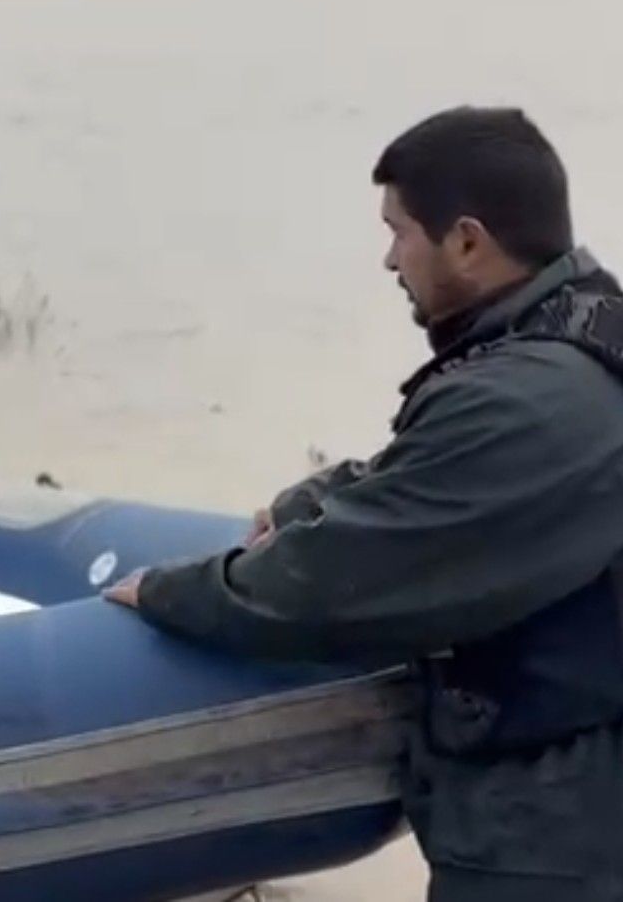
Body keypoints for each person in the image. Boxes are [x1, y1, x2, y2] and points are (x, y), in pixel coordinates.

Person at [105, 106, 623, 900]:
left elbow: (331, 583)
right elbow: (425, 474)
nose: (389, 260)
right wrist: (313, 495)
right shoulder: (576, 337)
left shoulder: (532, 400)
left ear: (468, 241)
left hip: (559, 828)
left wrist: (170, 592)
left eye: (400, 232)